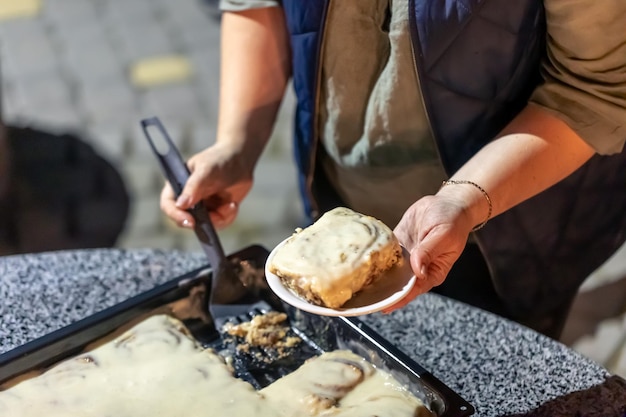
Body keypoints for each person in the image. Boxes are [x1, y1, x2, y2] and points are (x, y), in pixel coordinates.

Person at [160, 1, 626, 339]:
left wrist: (459, 201)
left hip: (509, 228)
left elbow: (592, 89)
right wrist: (238, 142)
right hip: (337, 202)